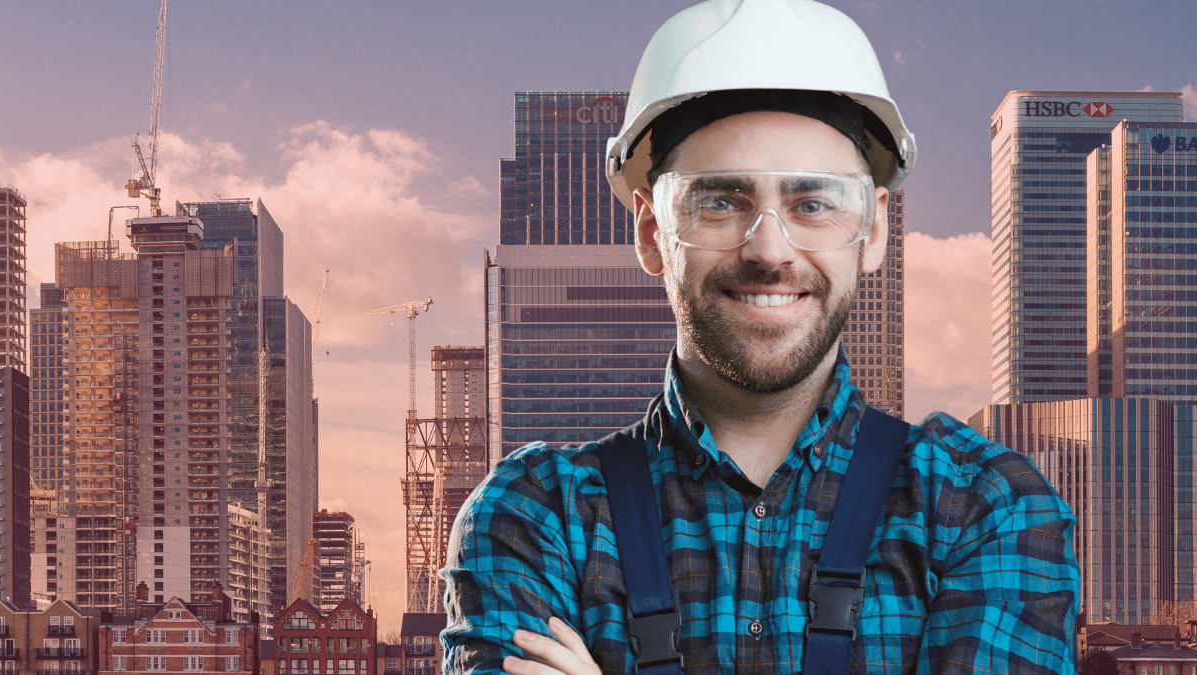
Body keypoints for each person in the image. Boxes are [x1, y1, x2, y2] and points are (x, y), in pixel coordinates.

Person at [442, 1, 1079, 673]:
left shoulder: (982, 506)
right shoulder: (533, 514)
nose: (769, 249)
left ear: (875, 232)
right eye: (720, 201)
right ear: (652, 232)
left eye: (813, 203)